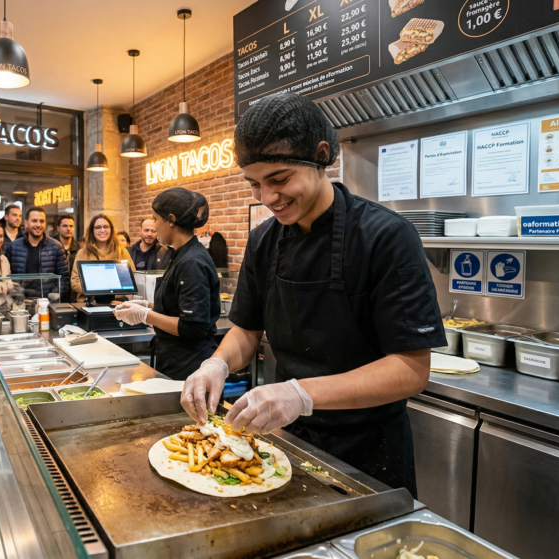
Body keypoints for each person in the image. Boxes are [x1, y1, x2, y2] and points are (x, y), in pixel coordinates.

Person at [179, 92, 445, 497]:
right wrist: (215, 364)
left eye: (280, 179)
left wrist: (299, 394)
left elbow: (411, 368)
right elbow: (246, 331)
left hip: (368, 452)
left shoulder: (385, 236)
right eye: (254, 184)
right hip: (283, 442)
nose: (267, 199)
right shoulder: (263, 241)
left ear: (322, 156)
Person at [115, 189, 220, 381]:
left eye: (155, 220)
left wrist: (146, 316)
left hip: (190, 366)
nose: (154, 228)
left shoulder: (192, 261)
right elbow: (178, 305)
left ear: (170, 220)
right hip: (173, 359)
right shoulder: (178, 254)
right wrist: (147, 306)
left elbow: (193, 328)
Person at [5, 206, 71, 301]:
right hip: (20, 302)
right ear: (26, 223)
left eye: (42, 221)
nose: (38, 224)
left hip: (46, 302)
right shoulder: (13, 247)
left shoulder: (56, 247)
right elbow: (6, 276)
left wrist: (54, 298)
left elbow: (64, 278)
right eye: (34, 221)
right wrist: (14, 297)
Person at [69, 214, 135, 301]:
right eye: (98, 227)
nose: (102, 230)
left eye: (106, 227)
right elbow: (75, 282)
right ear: (92, 230)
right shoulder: (82, 253)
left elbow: (133, 277)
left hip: (117, 303)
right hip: (89, 302)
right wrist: (99, 293)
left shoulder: (122, 252)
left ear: (111, 229)